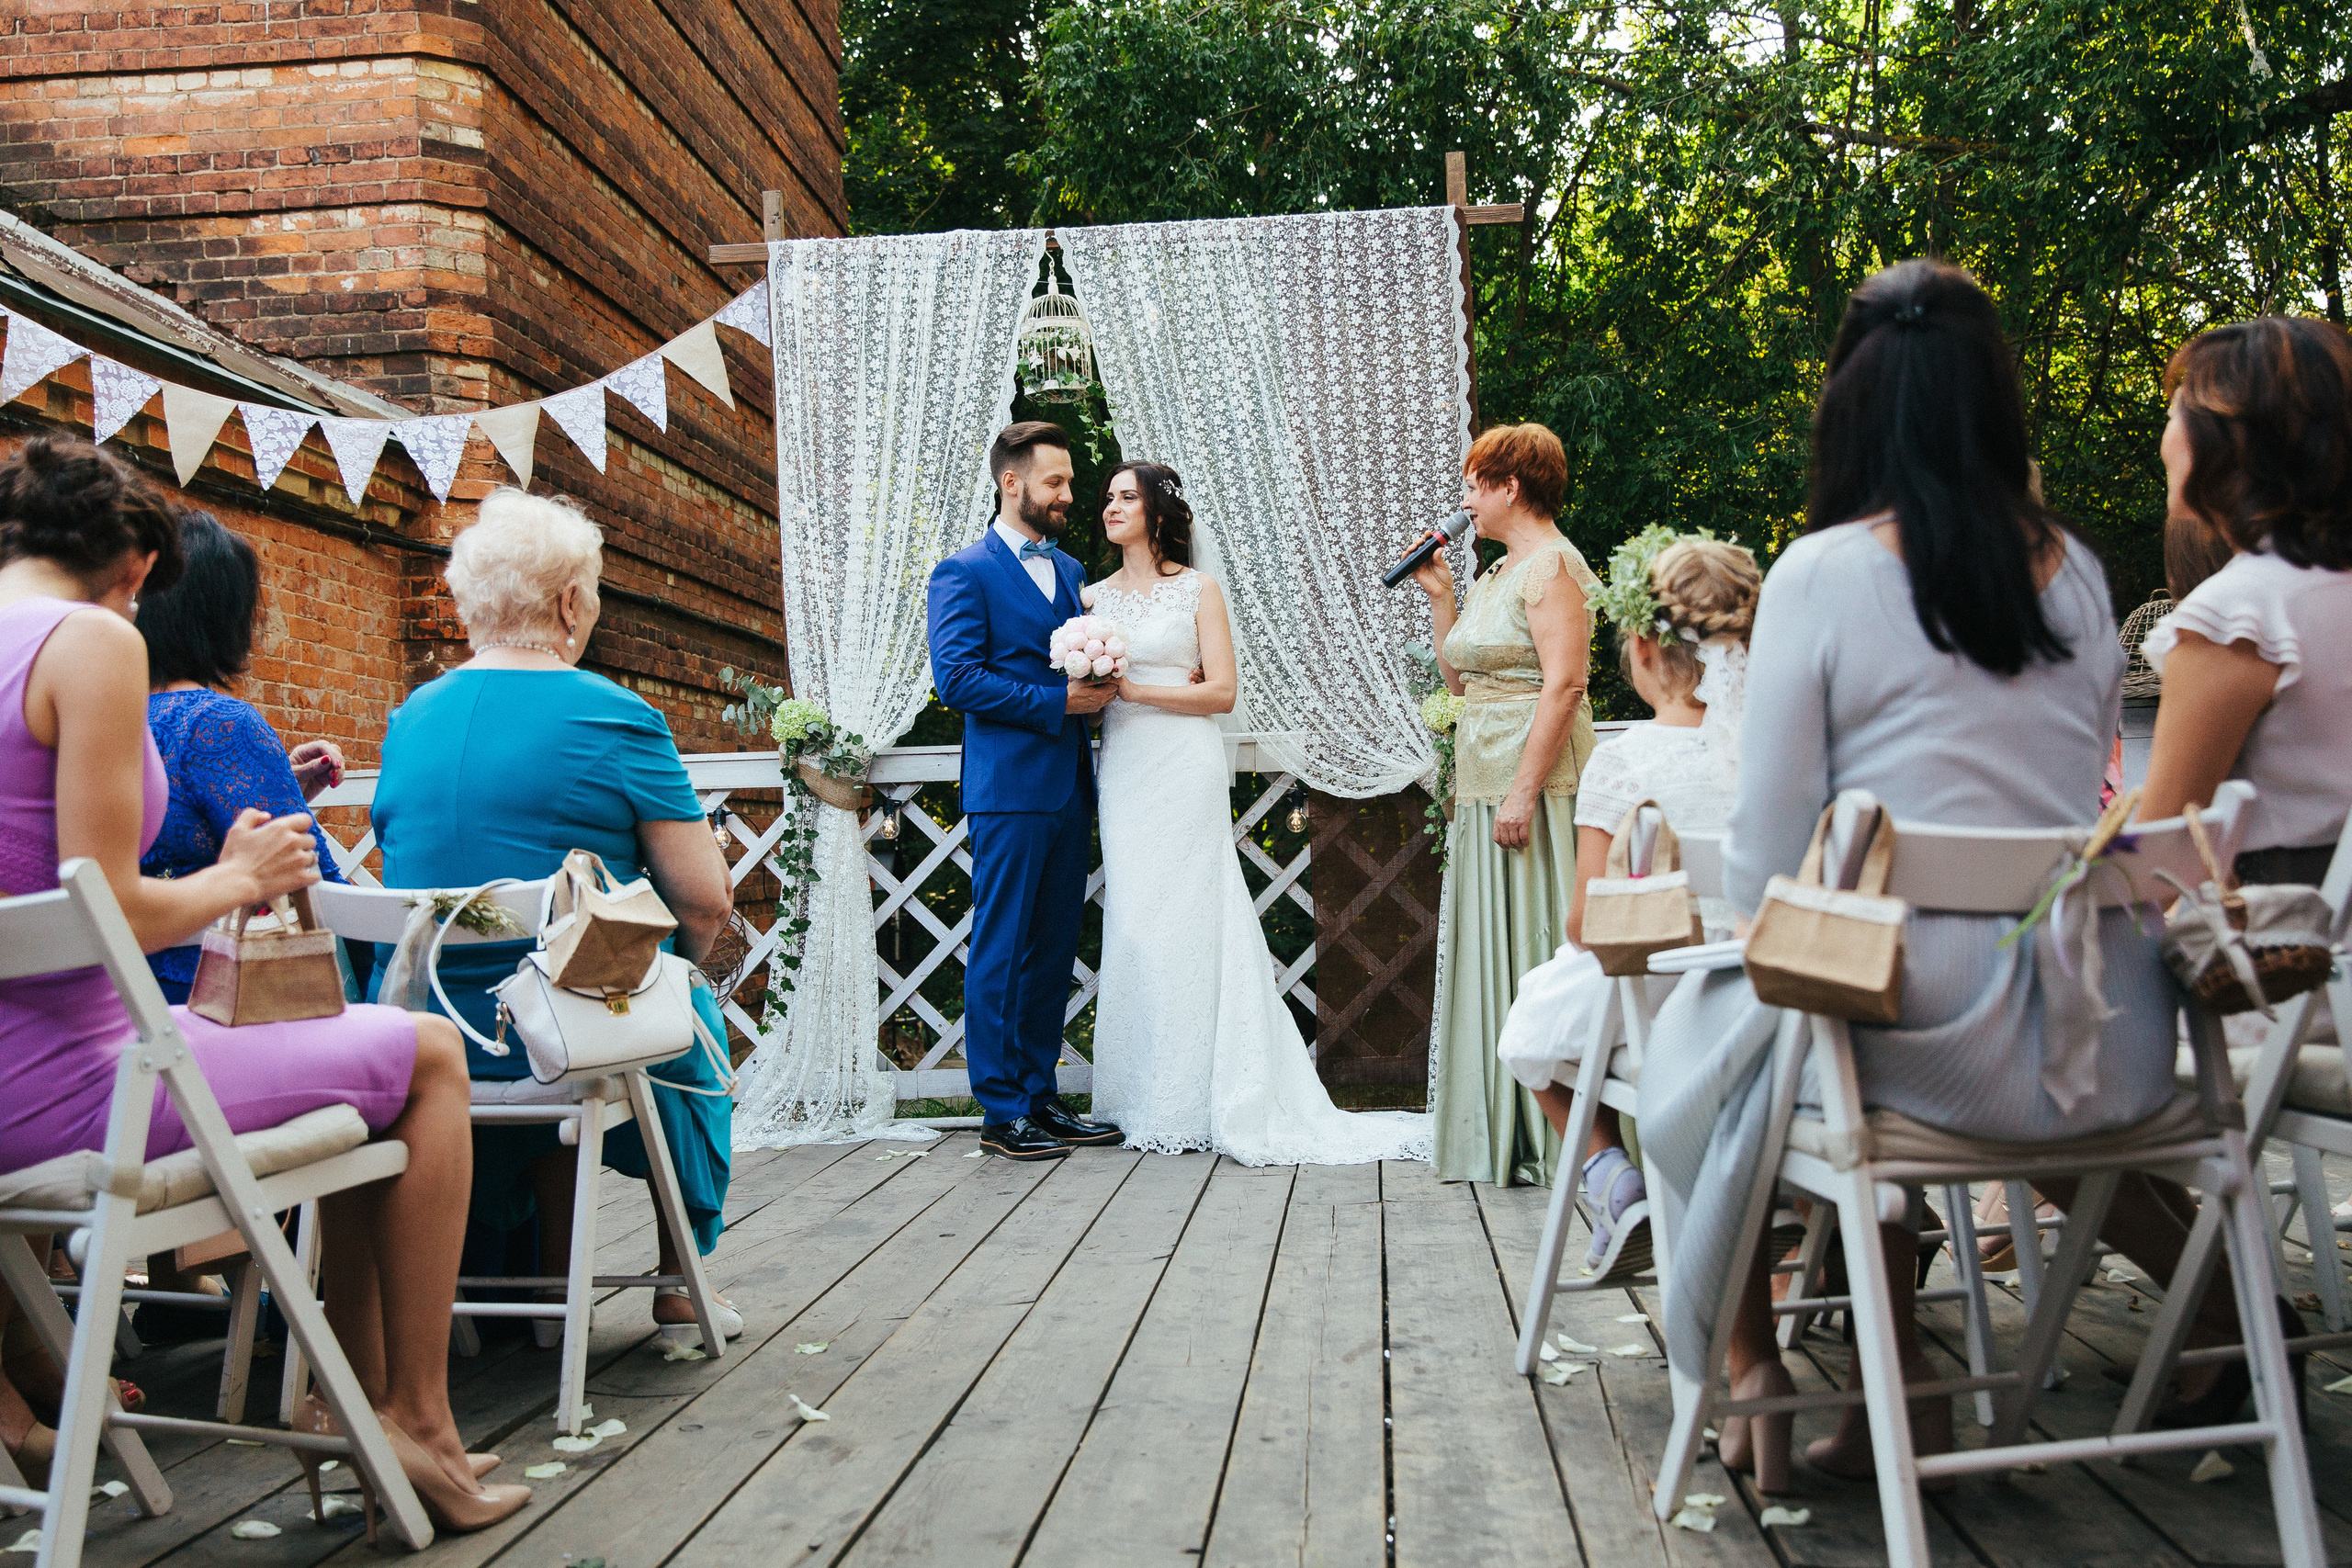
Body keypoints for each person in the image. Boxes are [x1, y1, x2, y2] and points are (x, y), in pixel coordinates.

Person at [1635, 260, 2182, 1494]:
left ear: (1853, 405)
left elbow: (1776, 861)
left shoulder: (1823, 573)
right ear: (1995, 402)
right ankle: (1907, 1406)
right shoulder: (2085, 576)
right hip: (2105, 1028)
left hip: (1915, 1033)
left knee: (1714, 1032)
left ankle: (1753, 1362)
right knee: (1817, 1021)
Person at [0, 436, 526, 1529]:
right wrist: (236, 876)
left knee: (366, 1065)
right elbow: (106, 903)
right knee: (425, 1053)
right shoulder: (88, 640)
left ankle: (377, 1417)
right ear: (137, 566)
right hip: (82, 1091)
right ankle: (416, 1424)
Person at [368, 488, 740, 1344]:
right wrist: (662, 964)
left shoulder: (409, 717)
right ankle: (679, 1274)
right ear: (572, 601)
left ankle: (508, 1271)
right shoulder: (616, 716)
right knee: (682, 1005)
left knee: (566, 987)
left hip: (421, 1028)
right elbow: (706, 897)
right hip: (559, 1032)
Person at [1084, 462, 1431, 1163]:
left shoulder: (1198, 589)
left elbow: (1220, 692)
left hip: (1182, 767)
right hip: (1123, 770)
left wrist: (1137, 691)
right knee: (1136, 925)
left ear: (1155, 514)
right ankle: (1143, 1095)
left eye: (1127, 497)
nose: (1112, 507)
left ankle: (1201, 1095)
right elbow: (1093, 692)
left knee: (1190, 916)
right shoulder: (1091, 598)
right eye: (1109, 498)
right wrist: (1101, 689)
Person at [1494, 531, 1758, 1276]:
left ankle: (1613, 1182)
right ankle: (1807, 1219)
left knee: (1532, 1032)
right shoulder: (1773, 758)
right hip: (1770, 1008)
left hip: (1657, 1013)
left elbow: (1586, 925)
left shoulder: (1623, 761)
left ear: (1642, 649)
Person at [925, 423, 1124, 1161]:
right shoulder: (964, 571)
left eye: (1068, 483)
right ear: (1013, 484)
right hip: (1008, 788)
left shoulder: (1070, 569)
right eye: (1056, 483)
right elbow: (958, 679)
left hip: (1071, 785)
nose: (1068, 495)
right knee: (1002, 946)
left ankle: (1041, 1096)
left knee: (1054, 947)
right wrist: (1056, 704)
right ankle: (1000, 1106)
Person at [1413, 423, 1600, 1186]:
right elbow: (1463, 685)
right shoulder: (1497, 573)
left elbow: (1563, 684)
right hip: (1484, 777)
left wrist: (1523, 790)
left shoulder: (1554, 565)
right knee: (1495, 945)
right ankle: (1500, 1125)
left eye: (1472, 486)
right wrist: (1444, 597)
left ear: (1508, 487)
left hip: (1536, 785)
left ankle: (1567, 1137)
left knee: (1535, 939)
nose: (1464, 500)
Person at [136, 511, 351, 1006]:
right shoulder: (216, 723)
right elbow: (322, 887)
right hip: (210, 998)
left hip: (119, 997)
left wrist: (284, 782)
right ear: (224, 616)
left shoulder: (111, 717)